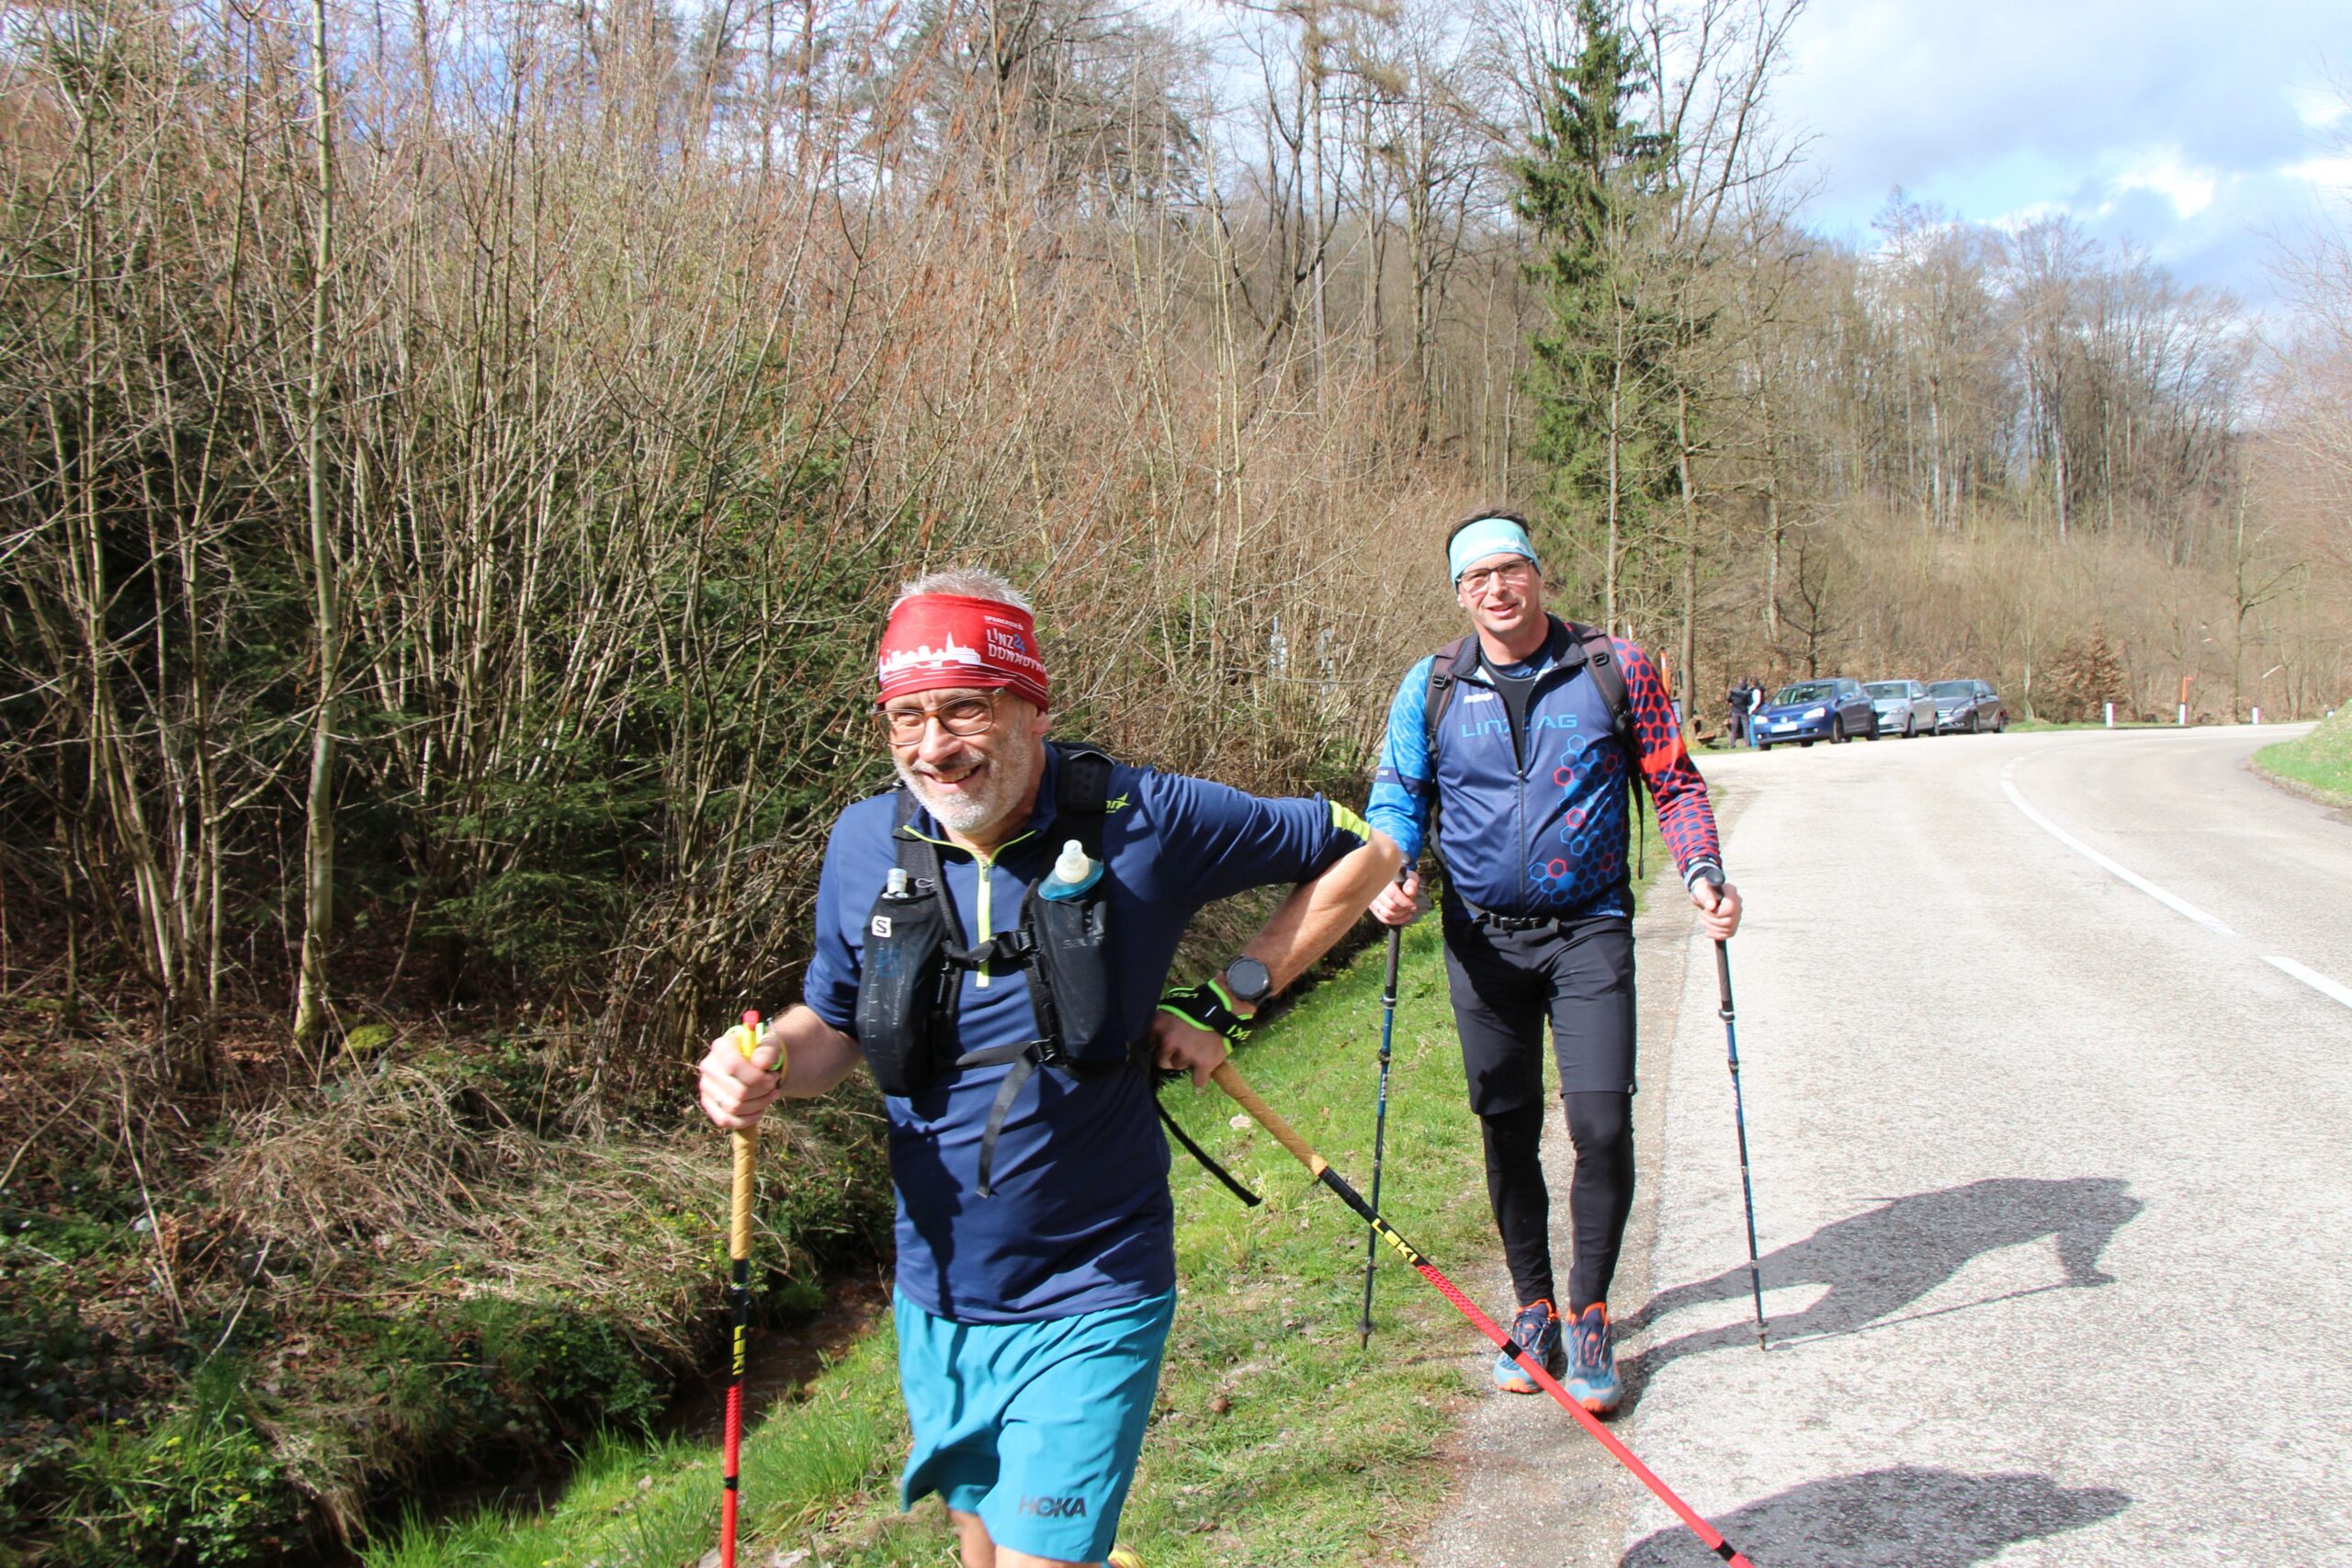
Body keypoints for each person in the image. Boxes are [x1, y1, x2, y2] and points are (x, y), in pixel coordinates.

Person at [697, 568, 1400, 1568]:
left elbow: (1364, 851)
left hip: (1093, 1285)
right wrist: (757, 1066)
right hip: (937, 1292)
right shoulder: (863, 839)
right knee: (979, 1548)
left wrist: (1230, 999)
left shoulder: (1144, 816)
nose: (933, 747)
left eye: (963, 710)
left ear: (1032, 704)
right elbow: (834, 1030)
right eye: (906, 719)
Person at [1363, 512, 1741, 1414]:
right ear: (1460, 594)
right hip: (1480, 937)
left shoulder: (1615, 667)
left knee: (1601, 1125)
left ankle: (1591, 1307)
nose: (1497, 590)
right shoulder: (1432, 687)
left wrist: (1701, 869)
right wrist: (1392, 873)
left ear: (1538, 575)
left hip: (1590, 927)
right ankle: (1532, 1307)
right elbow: (1398, 797)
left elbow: (1675, 779)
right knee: (1506, 1122)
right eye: (1477, 578)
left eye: (1510, 570)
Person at [1724, 679, 1751, 747]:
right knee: (1746, 728)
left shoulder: (1734, 690)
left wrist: (1732, 701)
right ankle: (1747, 744)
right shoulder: (1747, 692)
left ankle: (1732, 744)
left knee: (1734, 728)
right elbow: (1749, 702)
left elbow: (1728, 699)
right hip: (1744, 711)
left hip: (1735, 711)